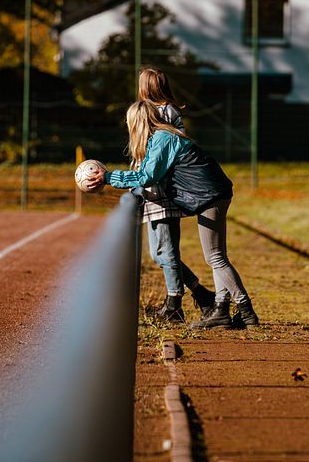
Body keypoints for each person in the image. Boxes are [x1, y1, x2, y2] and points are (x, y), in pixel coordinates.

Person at [85, 99, 259, 329]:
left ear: (138, 123)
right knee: (215, 256)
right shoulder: (160, 138)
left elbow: (147, 176)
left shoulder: (162, 139)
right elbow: (147, 172)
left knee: (215, 257)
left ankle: (246, 313)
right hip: (212, 195)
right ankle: (223, 311)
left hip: (211, 196)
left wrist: (108, 178)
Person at [136, 66, 215, 322]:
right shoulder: (152, 109)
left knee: (167, 252)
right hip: (152, 189)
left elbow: (160, 153)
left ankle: (174, 305)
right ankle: (202, 294)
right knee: (157, 254)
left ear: (147, 86)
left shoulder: (163, 110)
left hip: (163, 190)